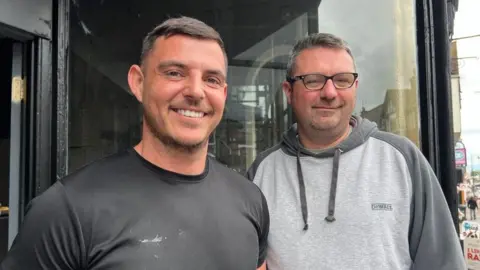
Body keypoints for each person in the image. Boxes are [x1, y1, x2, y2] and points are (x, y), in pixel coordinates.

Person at [1, 16, 268, 270]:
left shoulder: (250, 199)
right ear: (138, 82)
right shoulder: (65, 210)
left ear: (223, 93)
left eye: (211, 79)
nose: (196, 92)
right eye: (175, 73)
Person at [246, 33, 465, 270]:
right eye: (313, 80)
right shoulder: (262, 172)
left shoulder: (401, 160)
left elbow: (444, 263)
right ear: (289, 91)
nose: (329, 93)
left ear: (355, 87)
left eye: (342, 80)